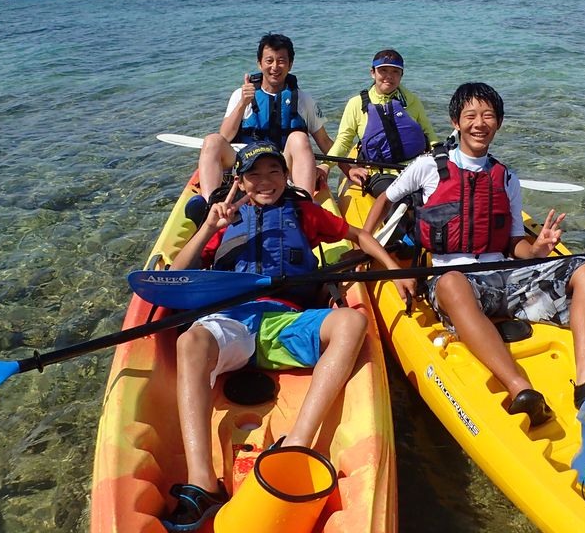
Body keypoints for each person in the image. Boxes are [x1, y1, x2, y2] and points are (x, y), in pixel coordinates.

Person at [363, 82, 585, 427]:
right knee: (453, 283)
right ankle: (520, 390)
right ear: (456, 122)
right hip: (454, 281)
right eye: (470, 115)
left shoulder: (505, 178)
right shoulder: (427, 167)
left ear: (498, 123)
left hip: (504, 277)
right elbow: (386, 199)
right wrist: (381, 256)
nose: (479, 123)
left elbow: (516, 245)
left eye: (488, 116)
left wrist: (538, 248)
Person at [163, 141, 414, 531]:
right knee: (189, 341)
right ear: (241, 181)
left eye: (274, 172)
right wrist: (209, 228)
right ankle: (203, 484)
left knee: (351, 323)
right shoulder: (224, 220)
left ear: (285, 176)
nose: (265, 182)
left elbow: (359, 237)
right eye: (254, 175)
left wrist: (395, 273)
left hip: (286, 324)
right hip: (233, 320)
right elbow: (175, 279)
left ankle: (297, 445)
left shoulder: (304, 212)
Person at [190, 33, 334, 223]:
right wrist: (243, 103)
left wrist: (347, 168)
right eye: (269, 61)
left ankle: (304, 208)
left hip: (281, 165)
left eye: (281, 61)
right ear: (259, 63)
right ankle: (212, 207)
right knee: (212, 141)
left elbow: (324, 141)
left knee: (299, 137)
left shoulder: (304, 99)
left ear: (290, 64)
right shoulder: (241, 95)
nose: (275, 67)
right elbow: (224, 136)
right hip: (246, 163)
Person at [328, 49, 440, 193]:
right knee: (400, 199)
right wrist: (326, 166)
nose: (389, 76)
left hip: (416, 167)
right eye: (383, 71)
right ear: (372, 72)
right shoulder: (356, 104)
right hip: (380, 173)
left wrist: (441, 154)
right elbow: (343, 141)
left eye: (395, 72)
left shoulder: (412, 101)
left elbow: (429, 133)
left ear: (401, 75)